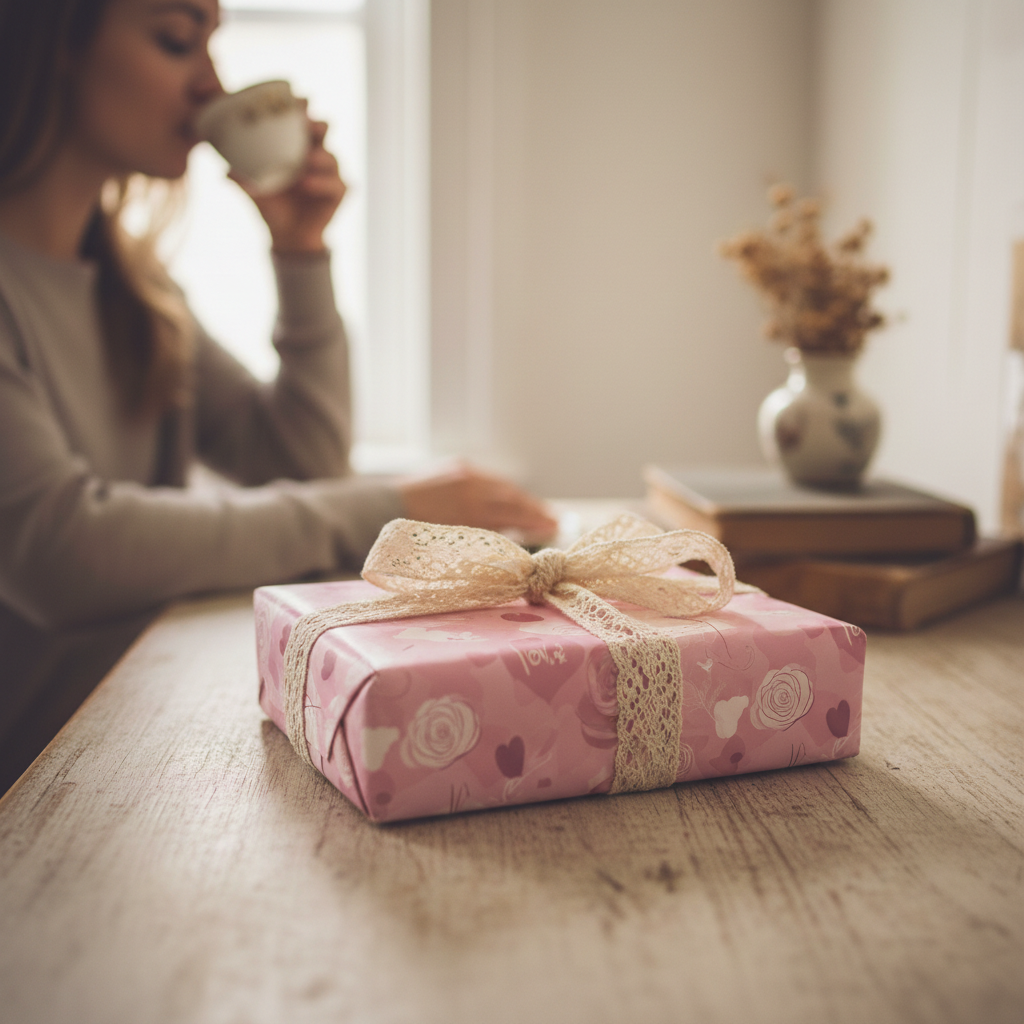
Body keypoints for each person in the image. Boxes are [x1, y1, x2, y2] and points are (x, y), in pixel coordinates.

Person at [0, 0, 556, 791]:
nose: (211, 85)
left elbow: (294, 459)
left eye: (213, 47)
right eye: (174, 40)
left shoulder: (136, 291)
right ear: (54, 38)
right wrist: (389, 507)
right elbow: (62, 551)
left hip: (115, 756)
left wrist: (300, 250)